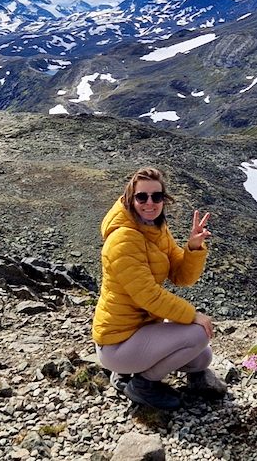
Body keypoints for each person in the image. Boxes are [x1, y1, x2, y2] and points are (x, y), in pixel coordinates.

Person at [91, 166, 218, 410]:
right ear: (131, 198)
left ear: (163, 199)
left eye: (156, 196)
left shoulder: (155, 228)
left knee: (201, 358)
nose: (150, 203)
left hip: (144, 329)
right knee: (199, 333)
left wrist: (192, 248)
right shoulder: (122, 240)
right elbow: (149, 296)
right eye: (142, 197)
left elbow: (181, 277)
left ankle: (130, 374)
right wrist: (193, 315)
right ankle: (142, 384)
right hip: (118, 343)